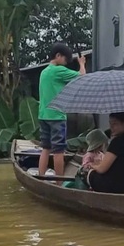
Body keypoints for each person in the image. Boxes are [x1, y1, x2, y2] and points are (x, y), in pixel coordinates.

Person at [37, 43, 86, 178]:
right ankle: (59, 182)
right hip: (57, 116)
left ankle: (41, 176)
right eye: (65, 60)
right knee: (59, 151)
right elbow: (82, 77)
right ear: (58, 56)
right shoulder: (57, 71)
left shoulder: (44, 72)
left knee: (46, 149)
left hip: (43, 115)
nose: (65, 64)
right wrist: (81, 63)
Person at [85, 112, 124, 194]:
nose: (111, 127)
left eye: (115, 124)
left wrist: (93, 166)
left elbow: (102, 169)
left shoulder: (118, 142)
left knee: (88, 173)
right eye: (110, 123)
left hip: (115, 184)